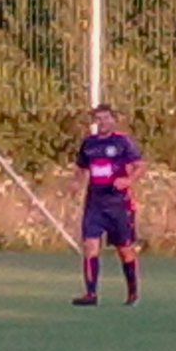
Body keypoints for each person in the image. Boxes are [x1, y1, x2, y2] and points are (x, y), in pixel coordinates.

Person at [72, 103, 146, 306]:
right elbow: (81, 167)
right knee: (90, 245)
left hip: (118, 202)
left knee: (124, 248)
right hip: (95, 202)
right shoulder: (89, 143)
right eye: (99, 119)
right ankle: (91, 294)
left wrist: (128, 180)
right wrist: (76, 182)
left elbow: (140, 165)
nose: (102, 122)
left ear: (113, 120)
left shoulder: (122, 142)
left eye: (106, 118)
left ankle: (132, 292)